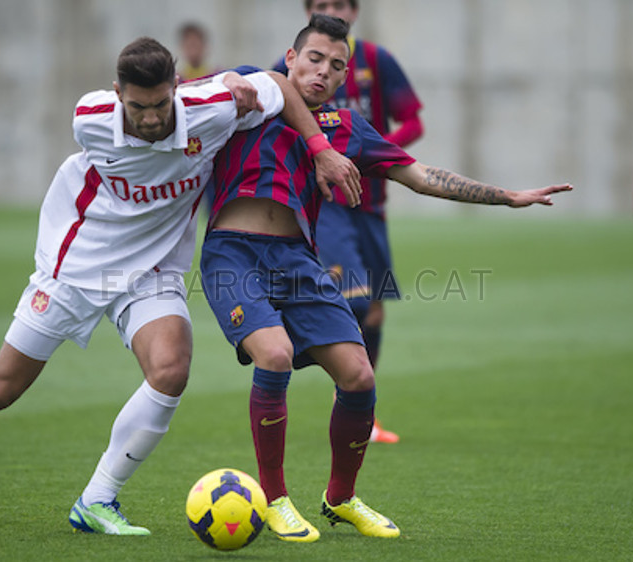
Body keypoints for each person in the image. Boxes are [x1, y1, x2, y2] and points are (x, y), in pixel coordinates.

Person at [0, 37, 362, 535]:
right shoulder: (90, 117)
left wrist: (318, 148)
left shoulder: (210, 110)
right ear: (117, 94)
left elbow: (282, 87)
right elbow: (173, 99)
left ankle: (97, 499)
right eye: (137, 107)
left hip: (152, 269)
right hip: (76, 266)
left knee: (171, 368)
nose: (151, 119)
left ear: (176, 90)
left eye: (160, 105)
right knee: (0, 388)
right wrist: (215, 81)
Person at [203, 14, 572, 542]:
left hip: (297, 259)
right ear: (290, 58)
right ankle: (275, 499)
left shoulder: (347, 128)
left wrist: (507, 195)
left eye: (337, 66)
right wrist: (223, 82)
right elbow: (190, 95)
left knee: (359, 376)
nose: (324, 72)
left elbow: (421, 177)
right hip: (232, 255)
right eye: (314, 59)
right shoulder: (253, 92)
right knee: (276, 354)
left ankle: (341, 497)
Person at [274, 0, 425, 444]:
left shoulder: (376, 61)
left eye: (338, 4)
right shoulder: (283, 70)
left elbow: (413, 120)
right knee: (355, 300)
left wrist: (372, 154)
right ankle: (303, 351)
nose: (331, 10)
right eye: (321, 4)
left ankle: (364, 413)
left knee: (375, 306)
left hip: (370, 203)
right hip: (324, 205)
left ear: (354, 11)